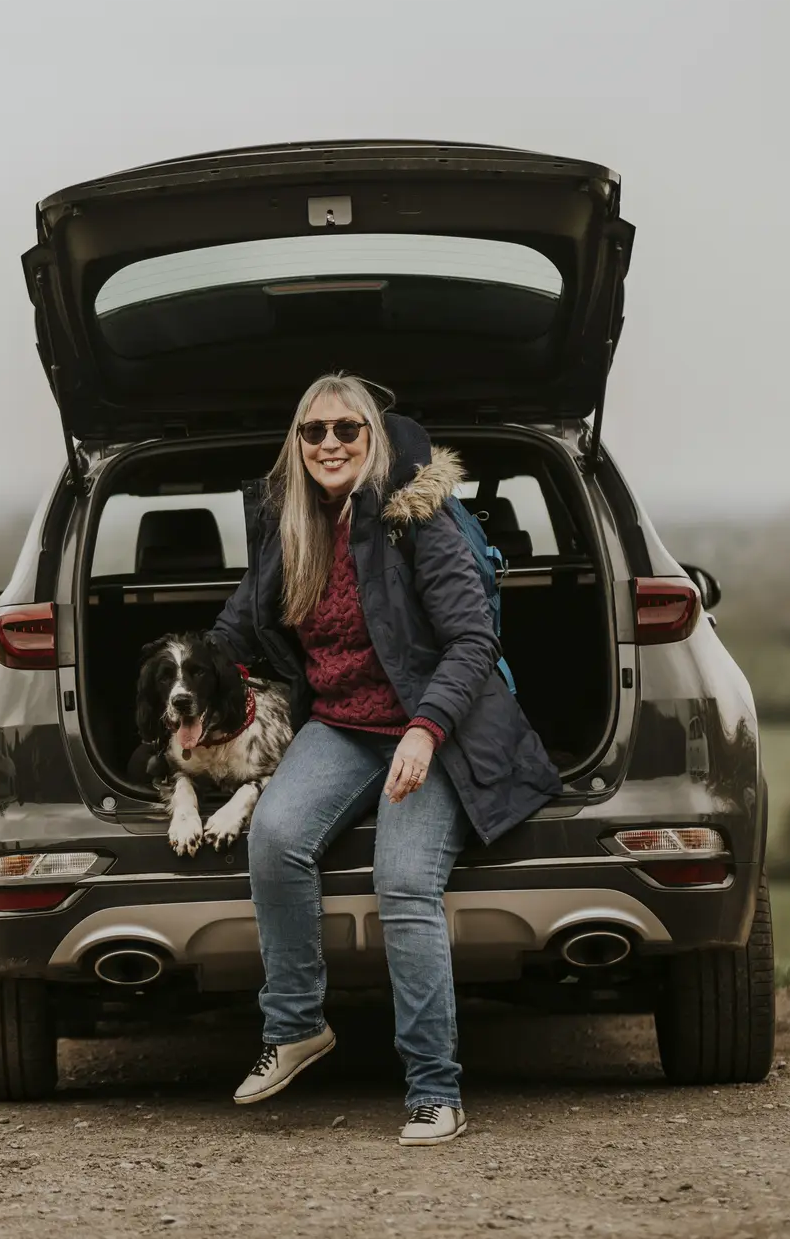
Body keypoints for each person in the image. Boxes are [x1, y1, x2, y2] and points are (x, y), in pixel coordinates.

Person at [208, 371, 561, 1145]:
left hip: (437, 728)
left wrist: (426, 730)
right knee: (274, 840)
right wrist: (189, 680)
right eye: (314, 432)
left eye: (347, 430)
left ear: (373, 440)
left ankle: (436, 1090)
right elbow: (235, 627)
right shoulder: (289, 525)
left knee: (402, 880)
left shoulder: (415, 517)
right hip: (340, 724)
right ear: (296, 445)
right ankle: (297, 1026)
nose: (329, 444)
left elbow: (473, 641)